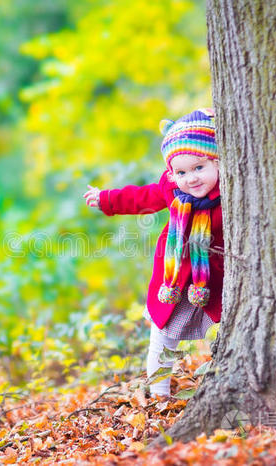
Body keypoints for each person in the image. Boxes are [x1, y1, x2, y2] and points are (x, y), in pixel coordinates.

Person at [83, 108, 224, 398]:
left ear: (218, 162)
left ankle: (224, 375)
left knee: (226, 324)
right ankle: (159, 394)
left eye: (199, 168)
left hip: (216, 276)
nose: (191, 179)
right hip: (174, 278)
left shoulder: (230, 194)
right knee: (164, 334)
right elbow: (140, 197)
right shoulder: (171, 189)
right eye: (182, 172)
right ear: (172, 174)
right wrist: (106, 199)